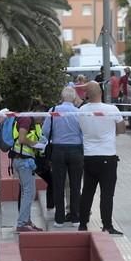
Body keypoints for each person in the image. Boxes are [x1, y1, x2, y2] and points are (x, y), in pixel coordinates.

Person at [78, 81, 126, 235]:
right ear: (101, 93)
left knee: (87, 192)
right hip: (108, 156)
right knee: (107, 194)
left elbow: (79, 129)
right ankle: (107, 225)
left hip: (89, 156)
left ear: (87, 95)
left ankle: (83, 224)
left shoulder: (81, 110)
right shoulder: (112, 109)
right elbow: (122, 129)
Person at [43, 86, 84, 227]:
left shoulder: (53, 111)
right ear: (73, 98)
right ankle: (75, 218)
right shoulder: (79, 113)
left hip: (58, 150)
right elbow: (83, 132)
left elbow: (45, 131)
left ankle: (59, 219)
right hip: (76, 151)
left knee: (58, 185)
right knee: (75, 185)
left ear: (61, 97)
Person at [11, 107, 44, 232]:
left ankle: (27, 221)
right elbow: (22, 139)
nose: (42, 120)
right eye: (42, 117)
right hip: (23, 161)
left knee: (29, 192)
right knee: (28, 192)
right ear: (36, 112)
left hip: (23, 160)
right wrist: (36, 144)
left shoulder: (26, 119)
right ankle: (22, 223)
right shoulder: (26, 119)